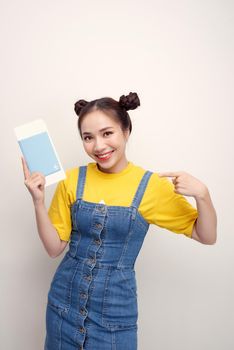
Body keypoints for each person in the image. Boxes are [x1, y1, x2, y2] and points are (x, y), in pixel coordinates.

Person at [22, 92, 217, 350]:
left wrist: (203, 195)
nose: (98, 146)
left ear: (126, 130)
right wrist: (38, 202)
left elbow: (206, 235)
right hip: (63, 306)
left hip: (114, 314)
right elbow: (54, 247)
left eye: (107, 133)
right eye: (88, 138)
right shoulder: (71, 180)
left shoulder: (150, 187)